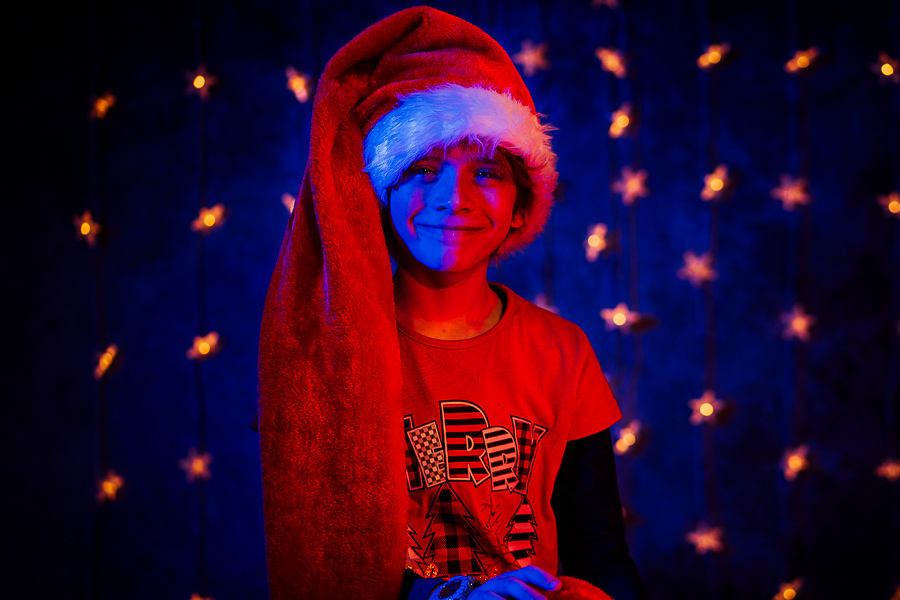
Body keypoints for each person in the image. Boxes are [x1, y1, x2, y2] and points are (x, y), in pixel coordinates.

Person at [257, 7, 646, 600]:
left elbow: (602, 559)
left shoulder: (561, 350)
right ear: (379, 196)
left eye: (485, 172)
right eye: (423, 169)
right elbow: (317, 556)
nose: (453, 199)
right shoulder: (322, 353)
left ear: (520, 207)